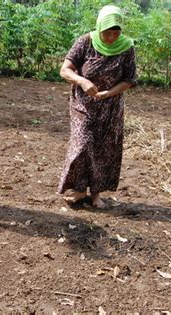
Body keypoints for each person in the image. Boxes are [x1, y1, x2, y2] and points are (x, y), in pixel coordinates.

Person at [58, 5, 136, 209]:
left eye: (116, 32)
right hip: (83, 105)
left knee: (103, 149)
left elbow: (129, 79)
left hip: (111, 107)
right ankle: (79, 190)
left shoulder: (127, 47)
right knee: (83, 143)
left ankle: (95, 194)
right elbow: (65, 70)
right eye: (107, 32)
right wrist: (82, 82)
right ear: (99, 27)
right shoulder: (85, 42)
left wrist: (109, 92)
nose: (111, 37)